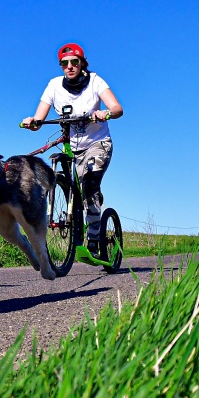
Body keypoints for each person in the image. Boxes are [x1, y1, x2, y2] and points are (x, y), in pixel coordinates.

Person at [22, 42, 123, 255]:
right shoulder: (54, 85)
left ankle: (94, 239)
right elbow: (39, 117)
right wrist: (33, 122)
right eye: (64, 63)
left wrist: (105, 113)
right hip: (72, 147)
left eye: (74, 62)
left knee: (89, 185)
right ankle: (72, 225)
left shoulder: (95, 81)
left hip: (97, 144)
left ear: (82, 63)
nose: (69, 66)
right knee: (71, 188)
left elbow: (117, 108)